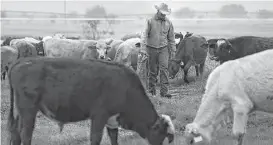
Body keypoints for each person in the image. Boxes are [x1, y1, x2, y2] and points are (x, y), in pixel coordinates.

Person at [142, 3, 176, 98]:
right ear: (158, 11)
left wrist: (173, 50)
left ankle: (164, 92)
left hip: (163, 48)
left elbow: (171, 38)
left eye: (165, 14)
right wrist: (143, 49)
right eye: (162, 14)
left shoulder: (168, 22)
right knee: (152, 71)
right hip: (151, 48)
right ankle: (151, 92)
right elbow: (144, 35)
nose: (163, 15)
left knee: (164, 70)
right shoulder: (150, 21)